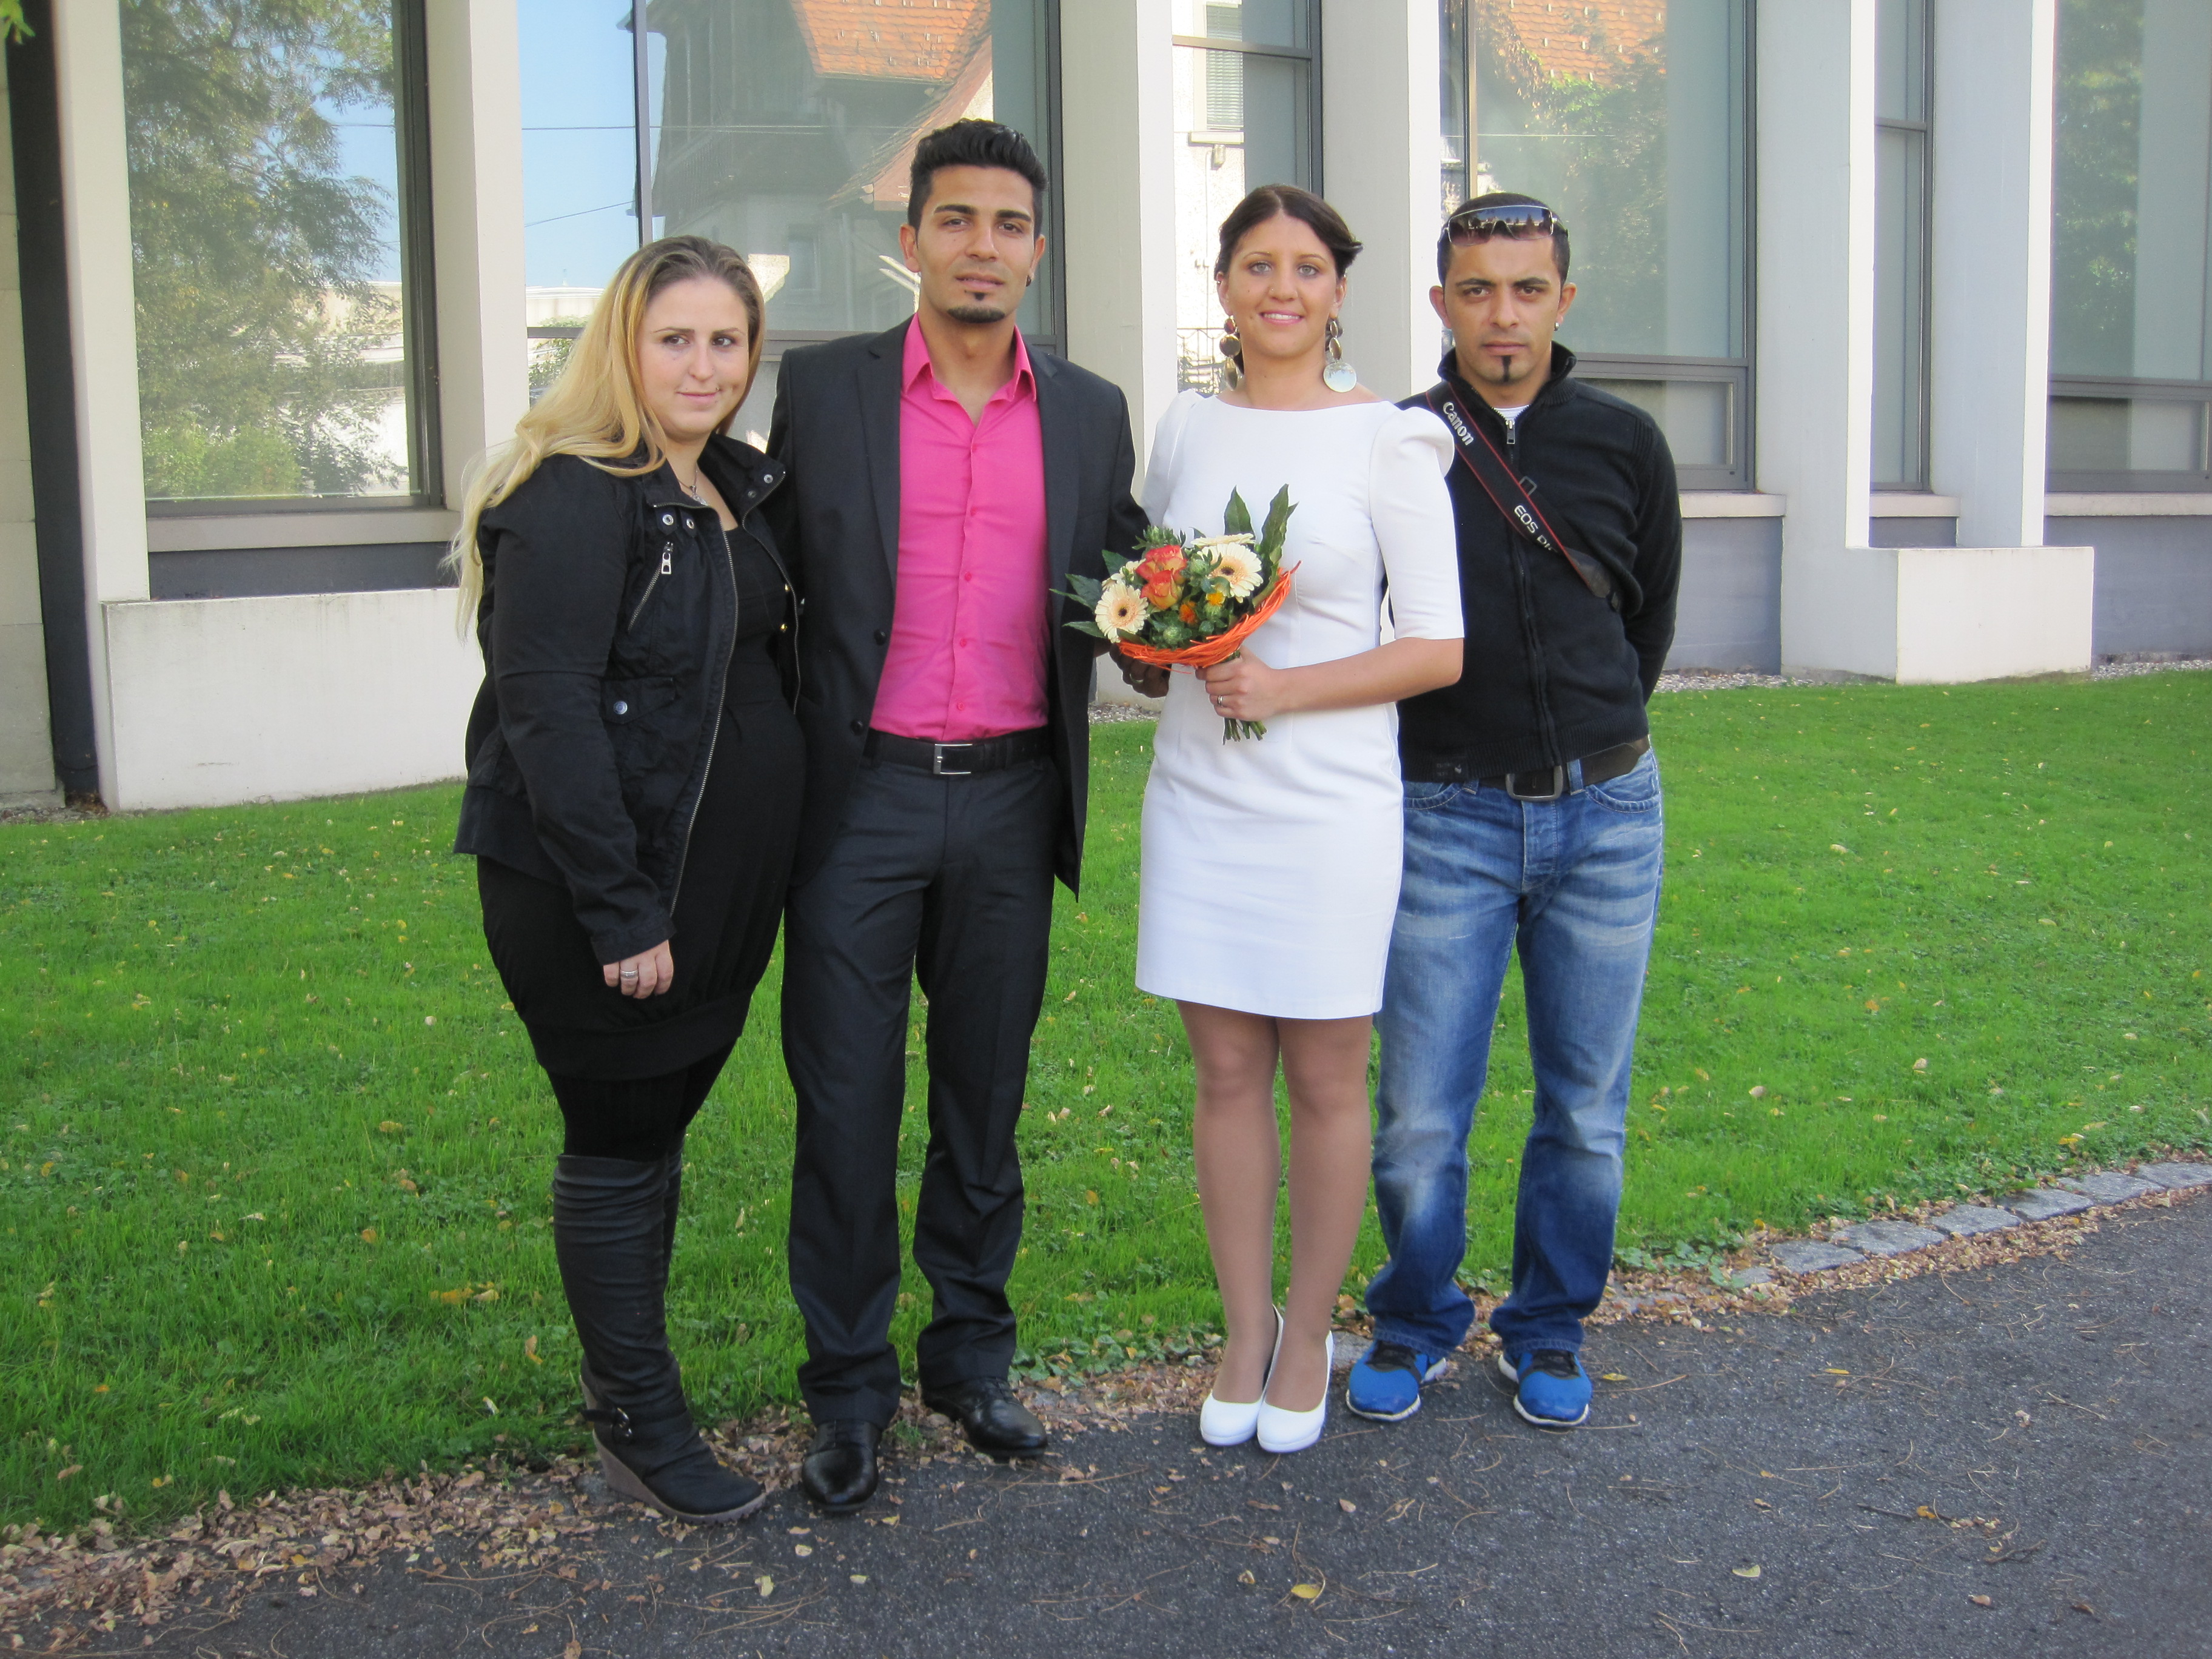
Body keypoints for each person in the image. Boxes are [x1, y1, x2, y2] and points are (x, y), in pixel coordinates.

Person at [766, 119, 1148, 1513]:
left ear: (1038, 249)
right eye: (957, 220)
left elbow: (1121, 588)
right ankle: (848, 1393)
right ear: (913, 238)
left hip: (1010, 800)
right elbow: (771, 581)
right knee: (846, 1105)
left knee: (985, 1101)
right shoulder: (826, 392)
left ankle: (971, 1361)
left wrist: (1177, 636)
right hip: (857, 803)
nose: (983, 246)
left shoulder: (1092, 411)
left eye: (1009, 224)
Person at [449, 236, 800, 1523]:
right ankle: (640, 1426)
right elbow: (546, 714)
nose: (704, 366)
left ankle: (631, 1400)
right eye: (675, 339)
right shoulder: (573, 494)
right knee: (616, 1138)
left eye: (727, 341)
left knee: (654, 1134)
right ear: (622, 346)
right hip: (605, 894)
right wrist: (620, 910)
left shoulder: (729, 486)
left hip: (714, 890)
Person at [1122, 185, 1463, 1456]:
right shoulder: (1186, 426)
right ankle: (1241, 1330)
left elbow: (1438, 648)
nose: (1282, 287)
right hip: (1200, 795)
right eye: (1257, 265)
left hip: (1329, 806)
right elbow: (1155, 587)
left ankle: (1312, 1330)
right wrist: (1154, 645)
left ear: (1338, 292)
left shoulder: (1391, 440)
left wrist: (1285, 689)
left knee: (1324, 1077)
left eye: (1307, 267)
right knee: (1223, 1073)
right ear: (1223, 288)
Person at [1347, 193, 1681, 1431]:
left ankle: (1547, 1329)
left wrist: (1591, 740)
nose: (1503, 315)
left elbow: (1644, 622)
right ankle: (1416, 1318)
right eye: (1478, 291)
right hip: (1448, 815)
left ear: (1563, 300)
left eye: (1528, 289)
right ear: (1441, 304)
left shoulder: (1626, 442)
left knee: (1586, 1109)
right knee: (1419, 1115)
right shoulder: (1399, 445)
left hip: (1610, 814)